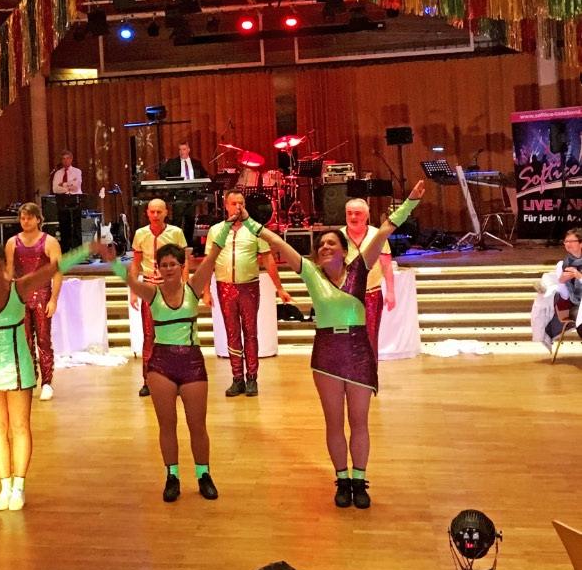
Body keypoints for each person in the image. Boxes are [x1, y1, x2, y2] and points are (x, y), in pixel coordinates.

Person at [229, 181, 425, 509]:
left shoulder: (360, 268)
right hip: (327, 351)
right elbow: (277, 242)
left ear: (345, 250)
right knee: (334, 422)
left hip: (358, 350)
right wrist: (249, 222)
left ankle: (360, 479)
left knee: (359, 421)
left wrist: (411, 202)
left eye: (332, 242)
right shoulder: (311, 273)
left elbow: (384, 231)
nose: (325, 247)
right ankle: (342, 479)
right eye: (321, 244)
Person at [0, 238, 98, 510]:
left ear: (5, 267)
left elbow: (52, 268)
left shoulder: (19, 287)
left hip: (19, 366)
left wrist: (87, 249)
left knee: (19, 427)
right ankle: (4, 485)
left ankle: (19, 486)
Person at [98, 226, 227, 503]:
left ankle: (204, 474)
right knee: (166, 426)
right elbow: (129, 280)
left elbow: (212, 257)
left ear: (182, 266)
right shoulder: (152, 293)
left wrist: (230, 224)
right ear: (157, 268)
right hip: (161, 366)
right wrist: (110, 260)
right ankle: (172, 476)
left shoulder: (193, 289)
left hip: (192, 364)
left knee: (197, 426)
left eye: (173, 264)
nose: (168, 269)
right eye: (164, 265)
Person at [213, 191, 294, 398]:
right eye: (234, 203)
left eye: (241, 203)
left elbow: (268, 259)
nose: (237, 207)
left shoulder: (255, 229)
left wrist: (279, 287)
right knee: (232, 333)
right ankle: (236, 378)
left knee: (250, 333)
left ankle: (251, 378)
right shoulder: (216, 230)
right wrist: (204, 290)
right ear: (226, 205)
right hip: (225, 286)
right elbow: (209, 260)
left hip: (248, 287)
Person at [130, 199, 188, 397]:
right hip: (149, 287)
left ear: (166, 213)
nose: (155, 215)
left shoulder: (175, 233)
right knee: (149, 336)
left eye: (159, 212)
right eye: (152, 212)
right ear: (147, 213)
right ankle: (148, 380)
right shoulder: (141, 234)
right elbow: (136, 264)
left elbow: (184, 263)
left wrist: (185, 287)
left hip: (170, 287)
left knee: (174, 334)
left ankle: (176, 379)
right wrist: (133, 290)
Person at [5, 202, 61, 401]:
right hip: (20, 297)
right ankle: (29, 378)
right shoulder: (12, 242)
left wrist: (53, 299)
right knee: (25, 341)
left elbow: (57, 272)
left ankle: (47, 382)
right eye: (23, 218)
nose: (26, 221)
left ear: (38, 219)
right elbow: (9, 272)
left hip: (42, 295)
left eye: (29, 218)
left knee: (44, 340)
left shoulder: (50, 242)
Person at [342, 198, 395, 357]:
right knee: (346, 338)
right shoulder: (338, 236)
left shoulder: (377, 235)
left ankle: (369, 371)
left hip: (371, 295)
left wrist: (391, 292)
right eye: (349, 213)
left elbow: (386, 264)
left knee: (370, 339)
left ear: (366, 216)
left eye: (357, 213)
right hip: (345, 296)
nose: (353, 217)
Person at [158, 142, 208, 245]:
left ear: (188, 150)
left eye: (184, 149)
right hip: (179, 195)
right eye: (180, 150)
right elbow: (162, 173)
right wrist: (171, 185)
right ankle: (175, 245)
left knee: (190, 221)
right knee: (177, 221)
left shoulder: (196, 163)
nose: (182, 152)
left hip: (192, 195)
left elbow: (204, 174)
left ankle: (188, 244)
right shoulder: (173, 162)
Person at [545, 229, 582, 343]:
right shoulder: (562, 265)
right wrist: (561, 282)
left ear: (581, 244)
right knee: (578, 316)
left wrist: (579, 277)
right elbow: (565, 296)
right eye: (566, 242)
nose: (568, 244)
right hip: (577, 304)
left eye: (572, 241)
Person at [51, 150, 83, 251]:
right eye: (63, 159)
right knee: (64, 227)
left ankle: (77, 250)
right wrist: (68, 186)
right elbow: (55, 189)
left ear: (71, 159)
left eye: (67, 158)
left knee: (76, 226)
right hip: (63, 201)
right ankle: (65, 251)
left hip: (75, 201)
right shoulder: (57, 174)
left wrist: (63, 184)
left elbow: (76, 186)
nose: (65, 161)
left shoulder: (77, 172)